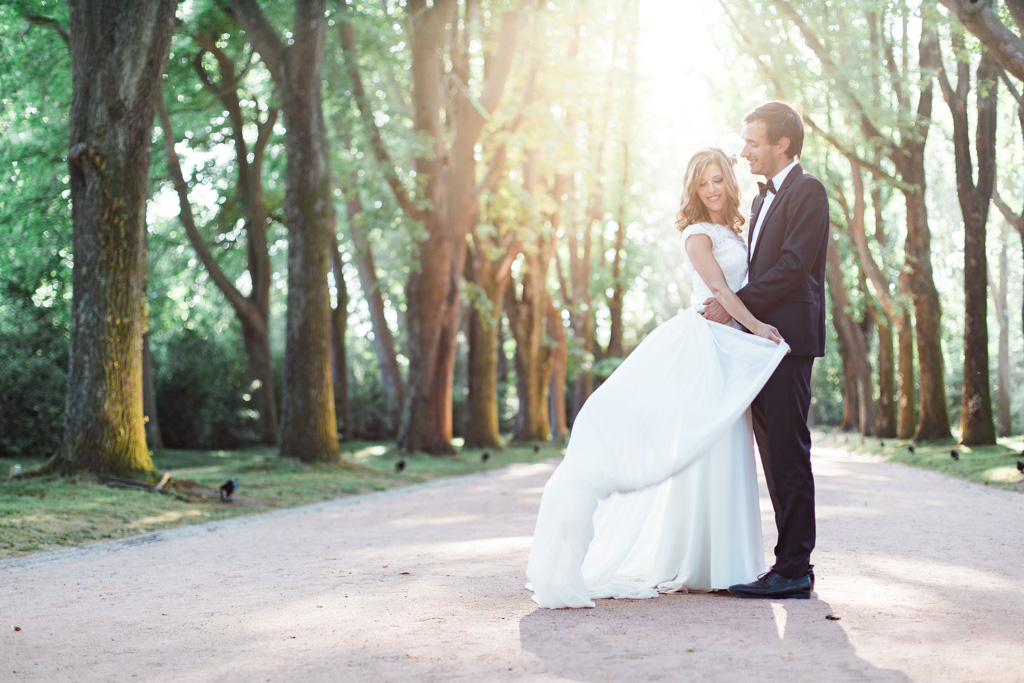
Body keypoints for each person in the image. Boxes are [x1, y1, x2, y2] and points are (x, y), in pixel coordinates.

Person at [526, 147, 789, 609]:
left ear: (729, 182)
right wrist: (758, 326)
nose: (712, 189)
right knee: (705, 444)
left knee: (730, 446)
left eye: (718, 179)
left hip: (727, 349)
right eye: (703, 182)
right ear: (693, 189)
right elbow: (720, 290)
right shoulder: (696, 235)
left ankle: (728, 564)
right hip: (703, 347)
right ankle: (694, 562)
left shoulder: (732, 228)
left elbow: (741, 285)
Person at [701, 101, 829, 599]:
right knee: (771, 452)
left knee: (788, 451)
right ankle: (788, 565)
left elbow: (794, 267)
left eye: (753, 142)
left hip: (788, 339)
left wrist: (734, 307)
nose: (744, 151)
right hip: (759, 340)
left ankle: (795, 568)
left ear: (783, 144)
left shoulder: (808, 191)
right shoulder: (760, 200)